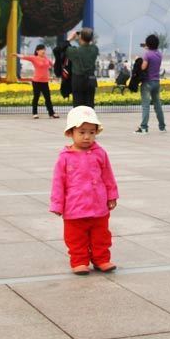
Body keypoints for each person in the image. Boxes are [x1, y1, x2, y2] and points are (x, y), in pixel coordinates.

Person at [50, 106, 118, 275]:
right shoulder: (65, 157)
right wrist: (57, 205)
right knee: (76, 237)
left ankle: (101, 258)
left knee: (101, 235)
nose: (87, 137)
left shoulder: (100, 153)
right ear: (70, 133)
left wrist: (111, 195)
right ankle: (79, 261)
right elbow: (58, 182)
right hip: (74, 208)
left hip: (98, 206)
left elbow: (108, 175)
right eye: (82, 132)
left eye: (91, 132)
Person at [14, 44, 58, 119]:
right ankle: (35, 113)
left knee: (48, 98)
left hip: (45, 82)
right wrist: (16, 55)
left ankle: (51, 113)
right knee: (36, 97)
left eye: (44, 49)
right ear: (37, 51)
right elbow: (24, 57)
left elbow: (54, 65)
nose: (43, 51)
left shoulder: (46, 59)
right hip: (36, 81)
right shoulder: (34, 58)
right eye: (41, 49)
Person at [134, 34, 165, 134]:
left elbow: (143, 67)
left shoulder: (147, 54)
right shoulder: (159, 54)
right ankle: (162, 126)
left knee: (146, 105)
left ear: (148, 44)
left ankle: (144, 127)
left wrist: (138, 60)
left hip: (147, 82)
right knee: (157, 104)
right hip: (156, 82)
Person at [65, 28, 99, 108]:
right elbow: (90, 44)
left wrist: (70, 39)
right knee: (90, 104)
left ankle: (79, 120)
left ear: (80, 38)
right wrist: (82, 37)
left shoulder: (74, 51)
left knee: (78, 104)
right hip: (91, 79)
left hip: (78, 80)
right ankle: (89, 119)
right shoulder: (95, 49)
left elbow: (64, 48)